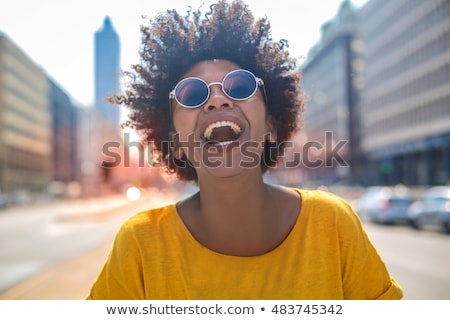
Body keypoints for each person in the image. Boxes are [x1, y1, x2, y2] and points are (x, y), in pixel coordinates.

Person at [87, 0, 403, 300]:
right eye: (191, 93)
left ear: (270, 127)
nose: (217, 100)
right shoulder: (140, 244)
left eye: (239, 87)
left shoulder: (333, 224)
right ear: (176, 144)